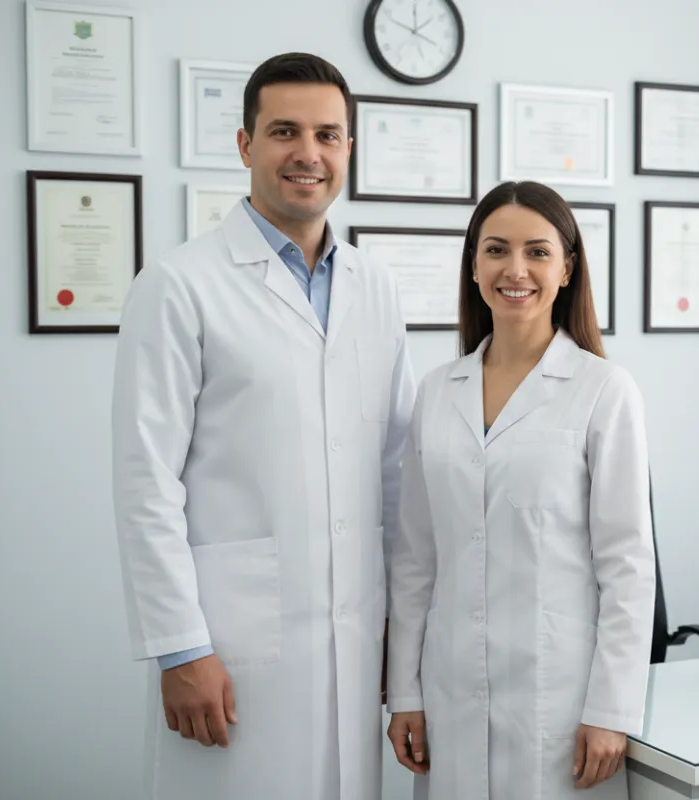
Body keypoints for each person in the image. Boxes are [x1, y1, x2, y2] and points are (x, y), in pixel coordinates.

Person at [111, 52, 415, 800]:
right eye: (285, 131)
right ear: (246, 144)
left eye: (327, 134)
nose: (308, 152)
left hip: (356, 637)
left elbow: (396, 471)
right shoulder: (179, 285)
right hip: (230, 646)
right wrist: (180, 648)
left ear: (348, 149)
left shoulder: (376, 287)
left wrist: (401, 634)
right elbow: (145, 482)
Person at [385, 181, 657, 799]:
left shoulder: (603, 390)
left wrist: (611, 710)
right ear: (473, 266)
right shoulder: (437, 391)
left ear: (567, 269)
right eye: (496, 250)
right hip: (450, 693)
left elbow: (627, 567)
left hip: (559, 700)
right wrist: (405, 692)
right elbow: (415, 560)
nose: (516, 270)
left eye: (537, 252)